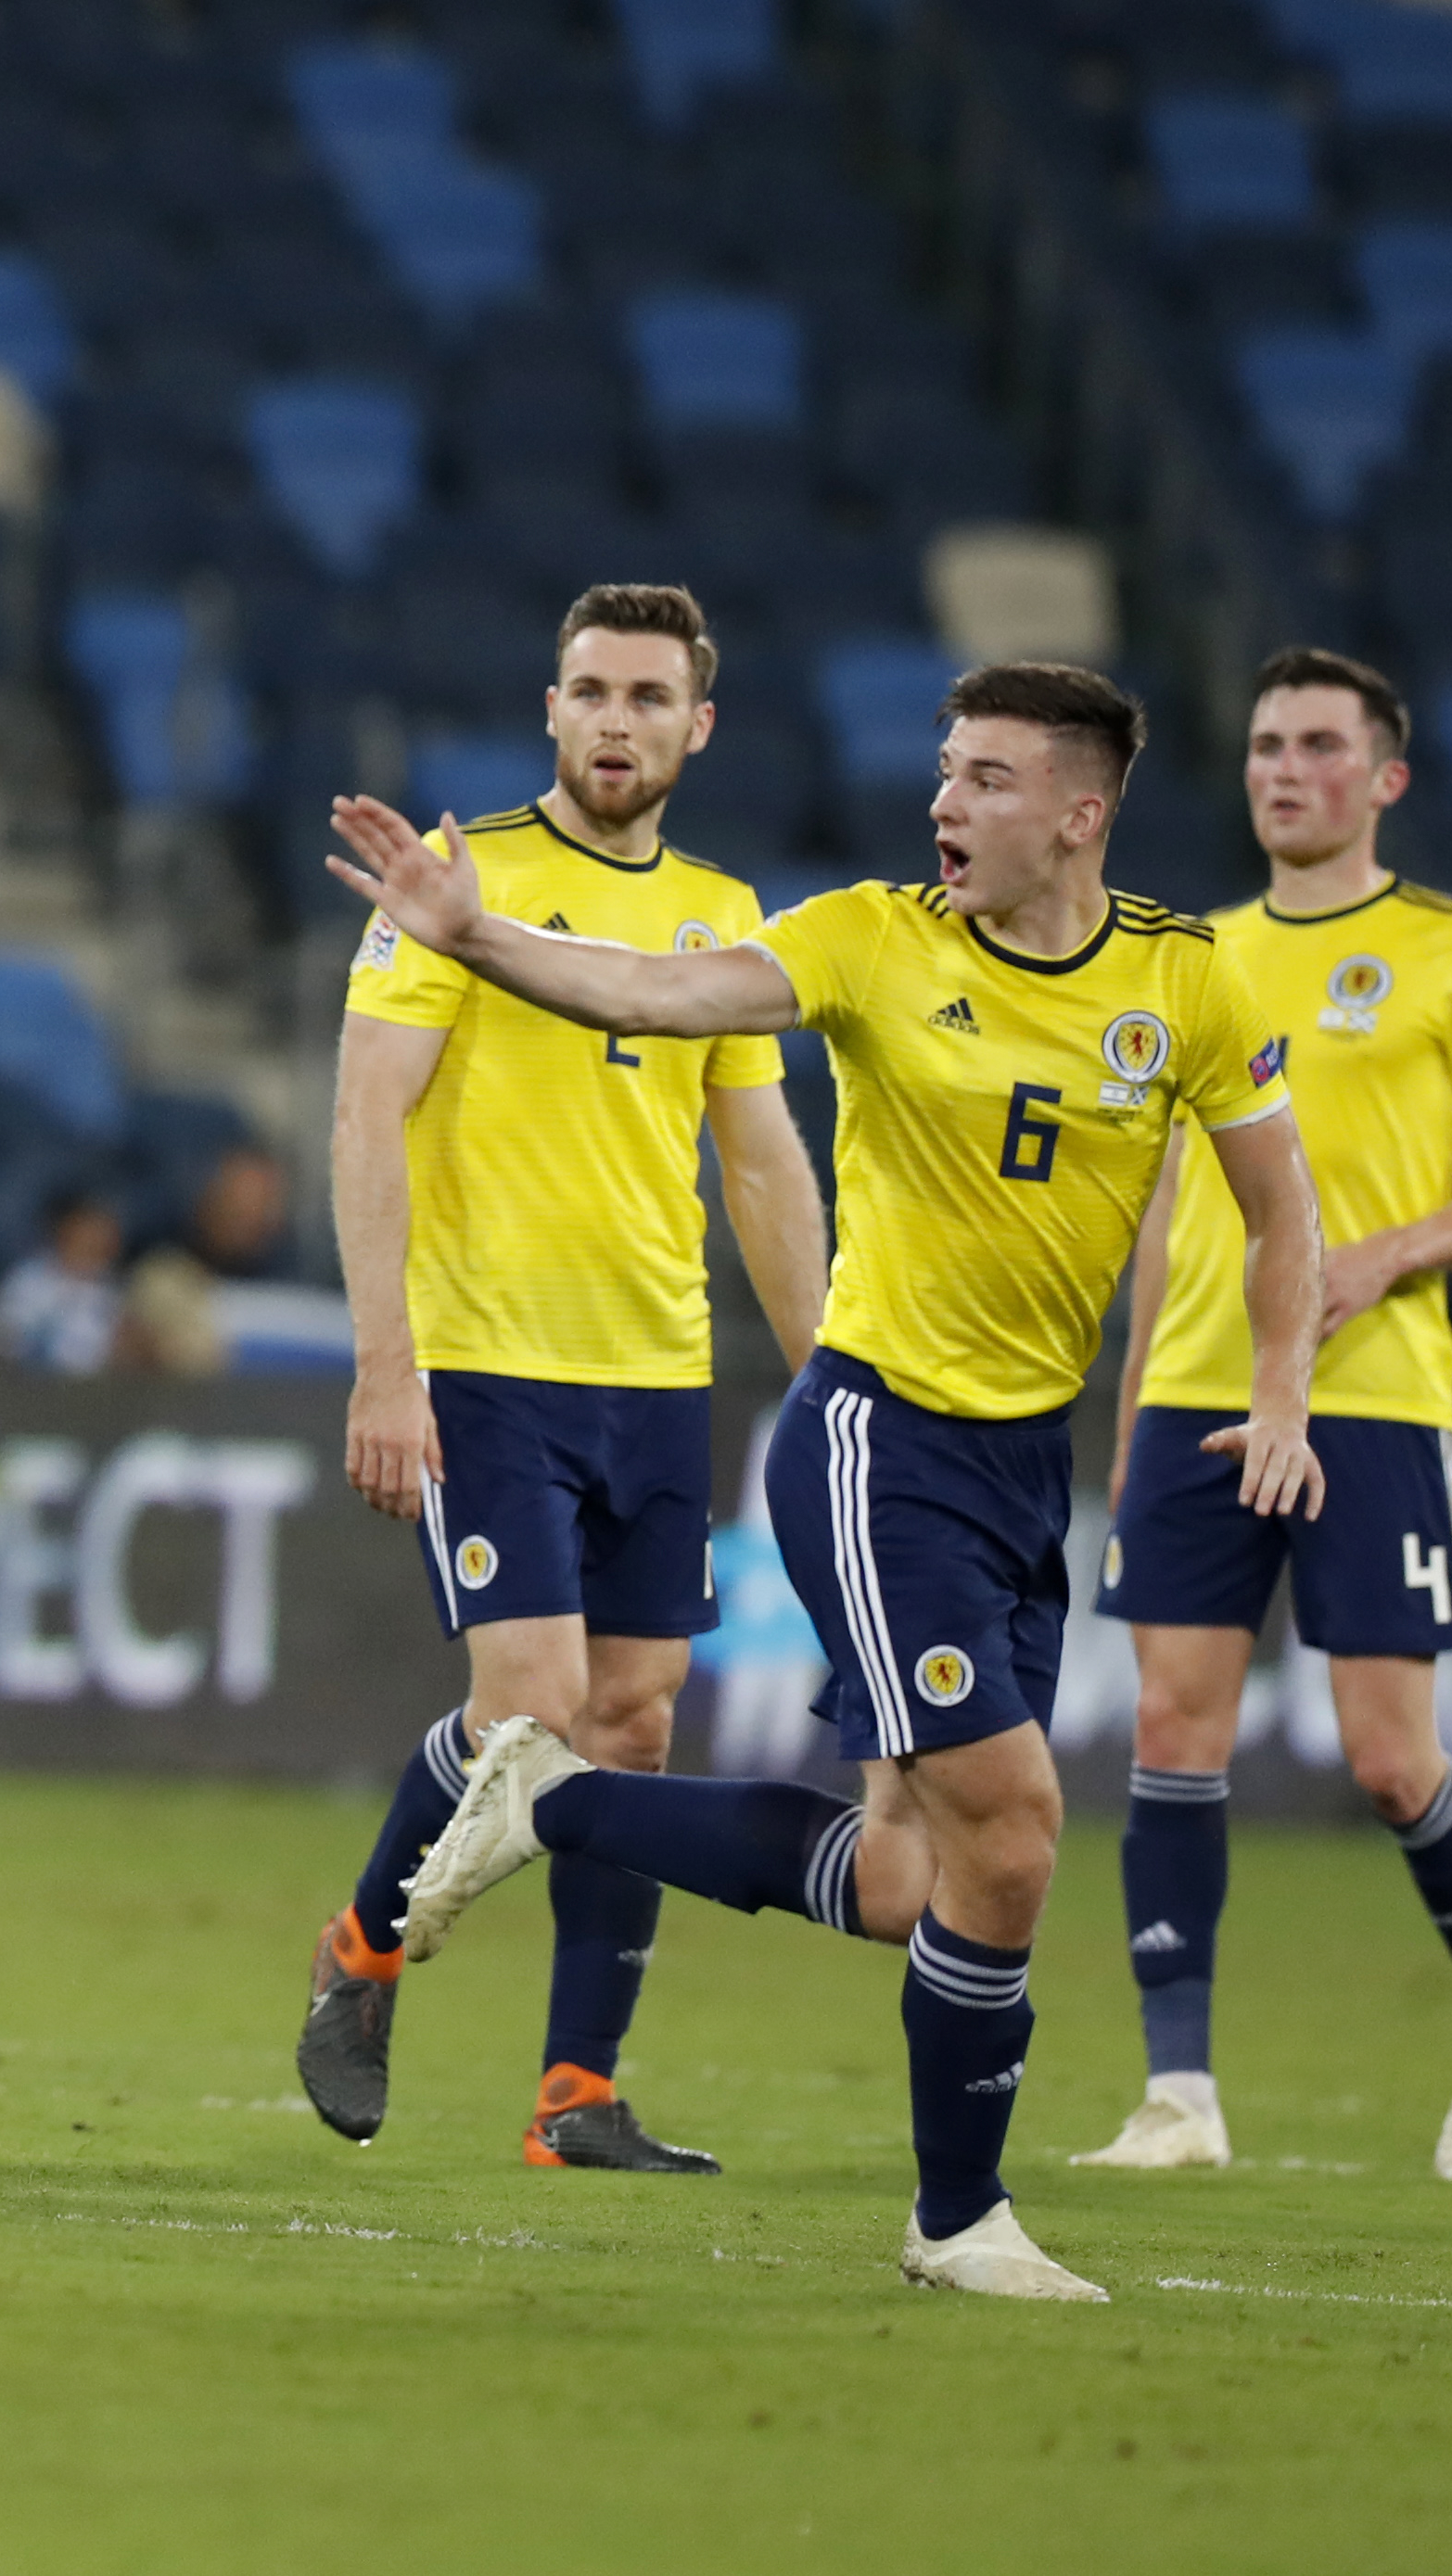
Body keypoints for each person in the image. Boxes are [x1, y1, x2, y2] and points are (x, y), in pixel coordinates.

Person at [353, 660, 1326, 2302]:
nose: (944, 803)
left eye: (989, 781)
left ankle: (545, 1795)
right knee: (1012, 1830)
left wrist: (1282, 1395)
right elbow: (651, 994)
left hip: (1026, 1462)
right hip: (878, 1443)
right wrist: (472, 932)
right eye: (944, 772)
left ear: (1078, 815)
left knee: (904, 1881)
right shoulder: (871, 937)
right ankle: (956, 2220)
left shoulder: (1187, 981)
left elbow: (1280, 1208)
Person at [296, 585, 830, 2173]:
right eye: (588, 689)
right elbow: (363, 1117)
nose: (613, 719)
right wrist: (382, 1365)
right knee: (528, 1707)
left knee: (633, 1728)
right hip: (480, 1364)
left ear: (694, 726)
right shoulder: (451, 888)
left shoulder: (724, 914)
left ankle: (572, 2091)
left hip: (652, 1374)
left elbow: (760, 1168)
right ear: (549, 710)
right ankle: (362, 1945)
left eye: (646, 695)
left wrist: (827, 1380)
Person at [1078, 649, 1452, 2179]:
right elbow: (1172, 1204)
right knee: (1172, 1724)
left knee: (1386, 1758)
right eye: (1258, 745)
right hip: (1191, 1390)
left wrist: (1392, 1249)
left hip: (1373, 1396)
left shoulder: (1433, 948)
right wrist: (1128, 1408)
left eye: (1313, 744)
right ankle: (1177, 2095)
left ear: (1382, 779)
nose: (1278, 768)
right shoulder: (1190, 959)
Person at [0, 1181, 134, 1377]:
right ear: (67, 1228)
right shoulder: (30, 1281)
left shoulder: (116, 1289)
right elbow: (4, 1342)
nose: (101, 1237)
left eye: (106, 1228)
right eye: (91, 1227)